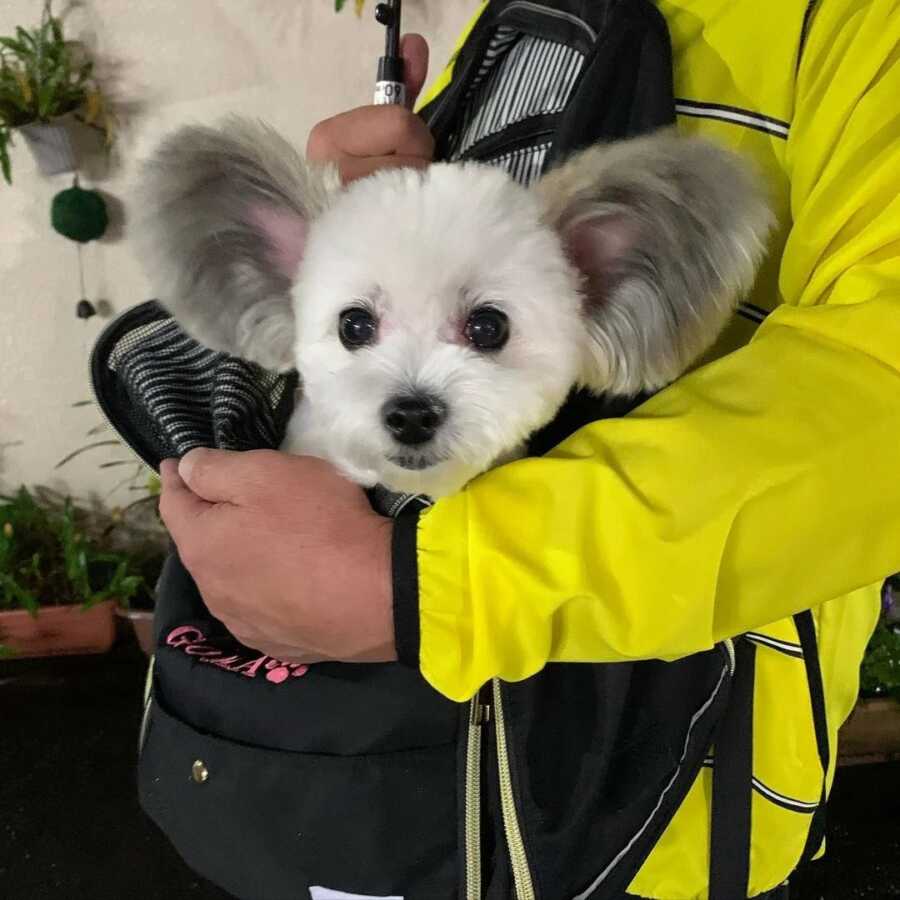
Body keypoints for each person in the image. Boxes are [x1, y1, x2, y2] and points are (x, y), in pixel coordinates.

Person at [159, 1, 900, 896]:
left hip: (671, 792)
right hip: (396, 788)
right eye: (357, 324)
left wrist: (424, 584)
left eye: (483, 327)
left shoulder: (856, 29)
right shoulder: (520, 21)